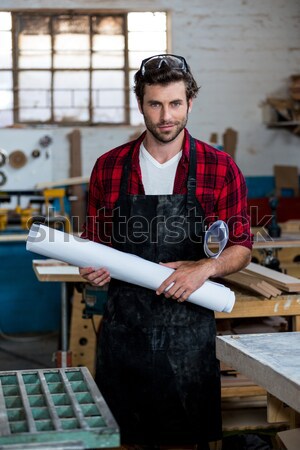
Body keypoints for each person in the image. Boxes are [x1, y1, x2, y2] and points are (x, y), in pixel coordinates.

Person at [80, 54, 252, 450]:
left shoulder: (220, 167)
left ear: (190, 103)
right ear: (140, 103)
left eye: (175, 103)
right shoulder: (109, 167)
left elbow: (242, 246)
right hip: (124, 333)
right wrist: (94, 266)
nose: (165, 116)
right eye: (154, 104)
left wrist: (205, 268)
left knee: (184, 442)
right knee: (124, 440)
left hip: (189, 336)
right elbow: (95, 241)